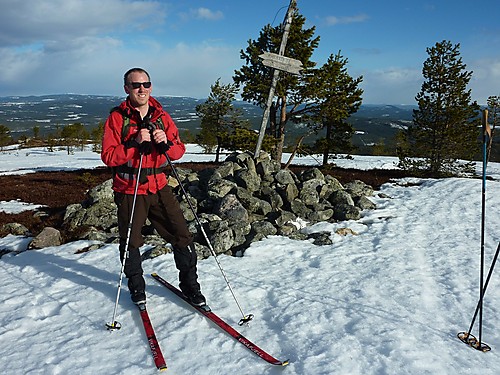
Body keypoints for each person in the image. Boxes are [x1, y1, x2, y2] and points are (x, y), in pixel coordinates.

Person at [101, 67, 206, 307]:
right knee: (131, 242)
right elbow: (108, 156)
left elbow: (179, 150)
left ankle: (191, 288)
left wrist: (166, 144)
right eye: (136, 85)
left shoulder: (162, 116)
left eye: (146, 84)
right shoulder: (117, 118)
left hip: (159, 186)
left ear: (151, 86)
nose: (142, 89)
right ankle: (137, 288)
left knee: (182, 235)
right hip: (129, 189)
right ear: (126, 88)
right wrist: (134, 144)